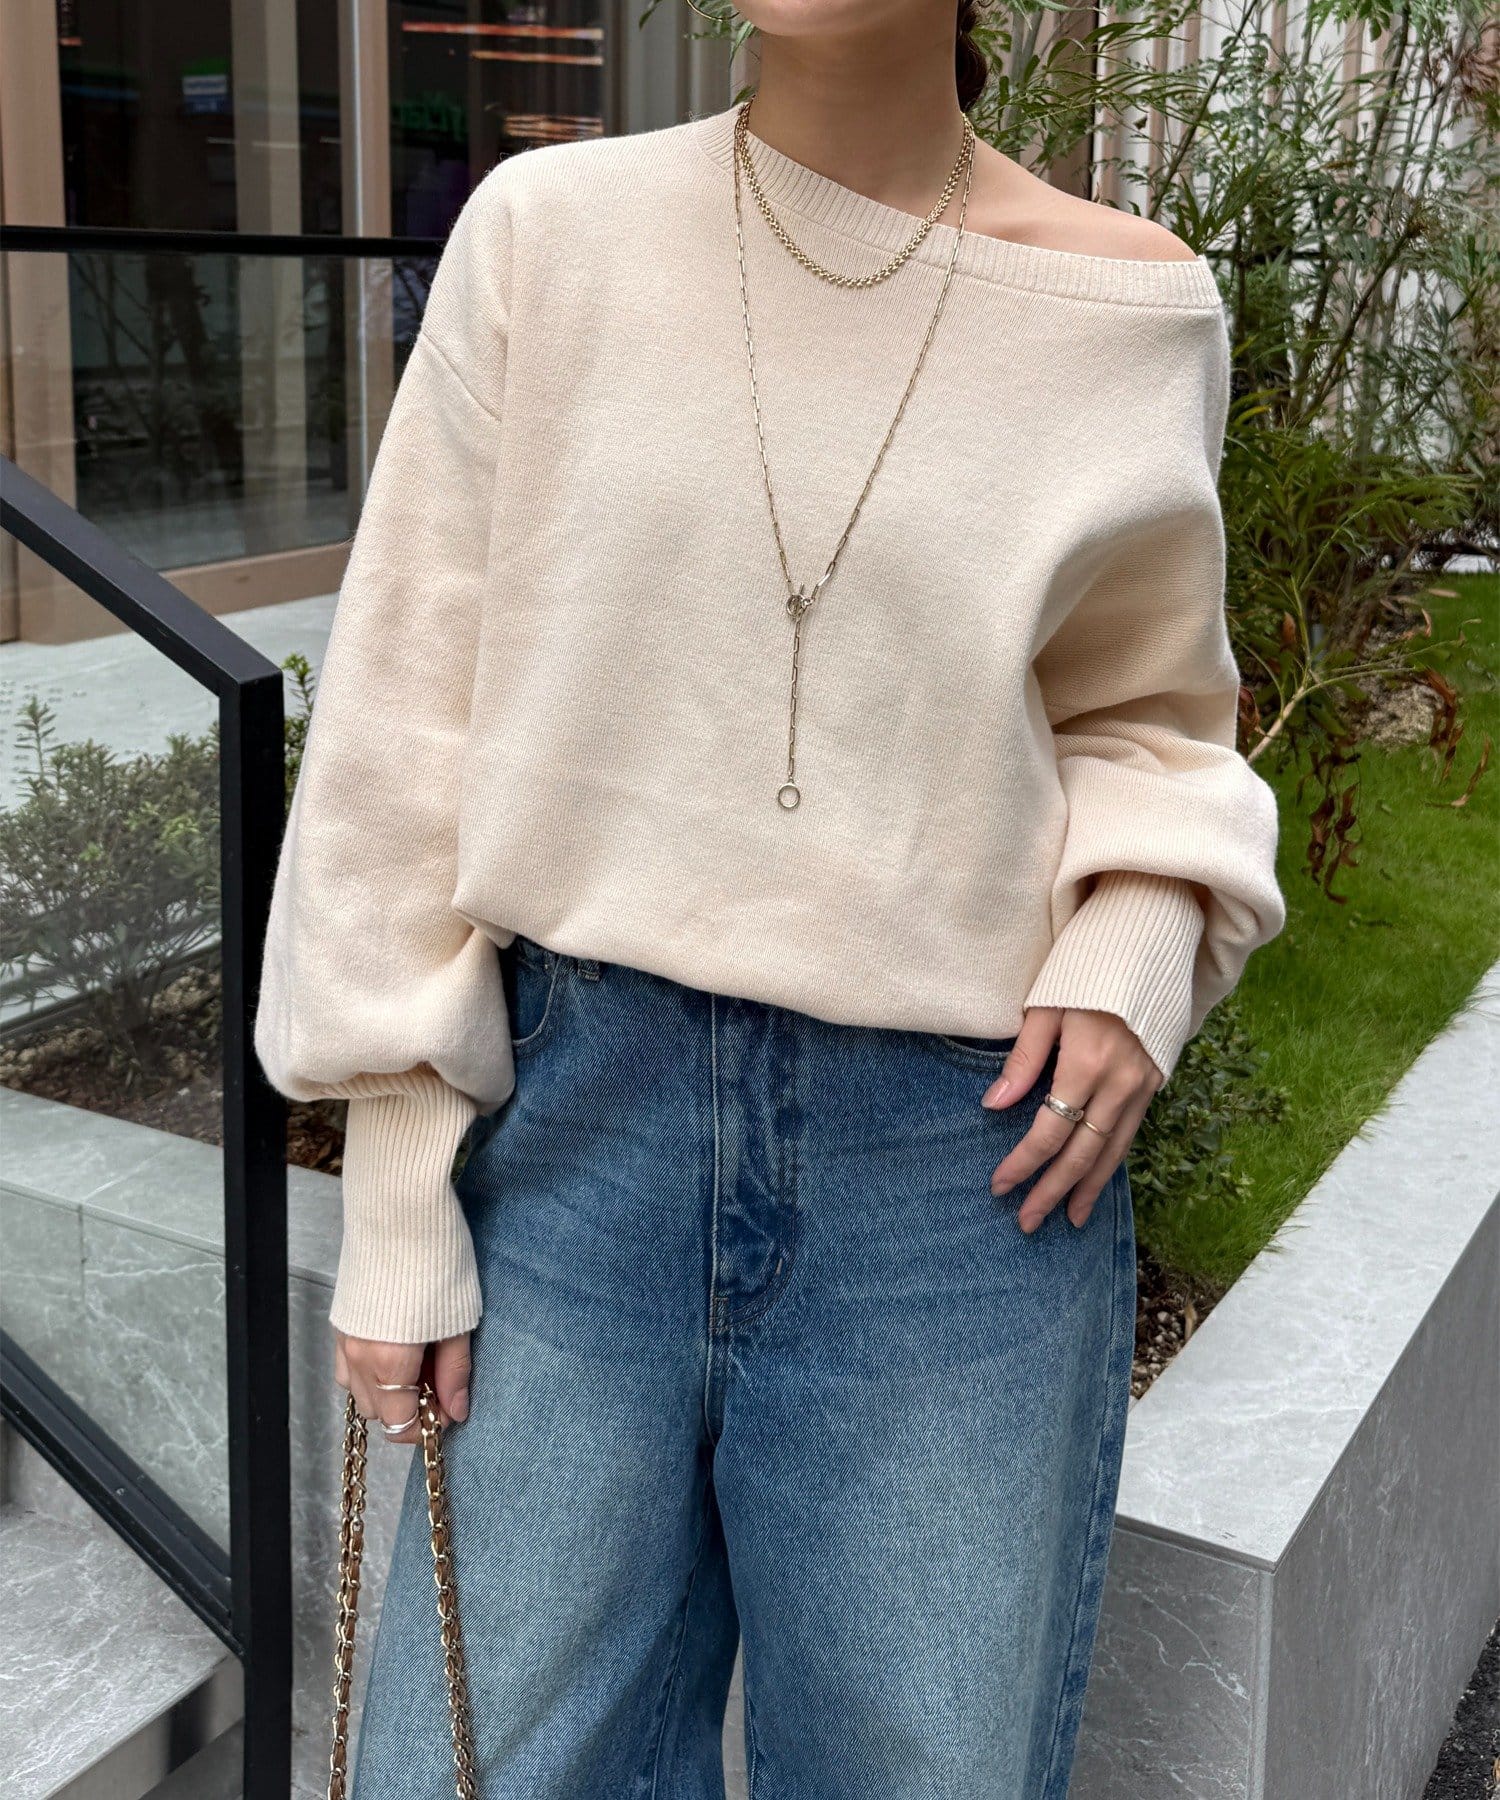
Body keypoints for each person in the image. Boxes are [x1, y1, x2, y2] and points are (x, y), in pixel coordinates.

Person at [253, 2, 1285, 1793]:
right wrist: (401, 1174)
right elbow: (410, 715)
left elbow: (1145, 710)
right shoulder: (550, 236)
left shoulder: (1127, 305)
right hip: (574, 1149)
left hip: (956, 1171)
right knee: (472, 1769)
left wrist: (1138, 932)